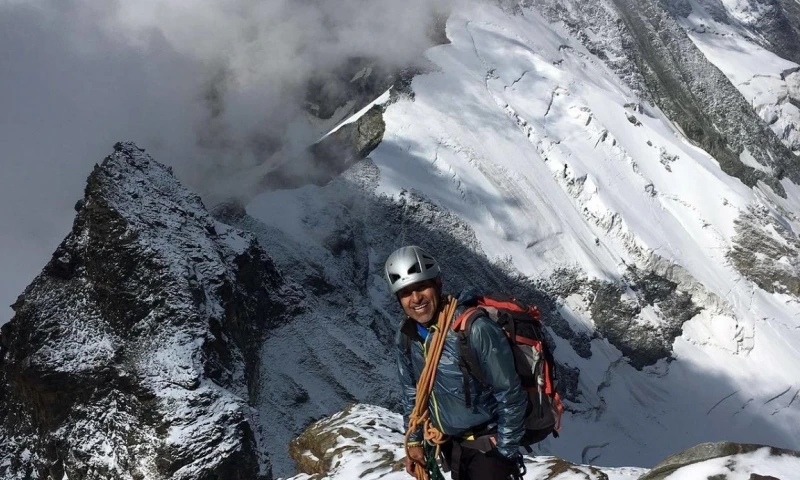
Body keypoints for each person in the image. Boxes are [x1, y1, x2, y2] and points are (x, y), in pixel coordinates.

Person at [385, 246, 527, 480]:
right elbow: (412, 392)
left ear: (438, 284)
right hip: (453, 448)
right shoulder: (407, 336)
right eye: (406, 292)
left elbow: (510, 393)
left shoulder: (474, 329)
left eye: (422, 287)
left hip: (488, 449)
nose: (416, 298)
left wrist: (505, 454)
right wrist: (414, 441)